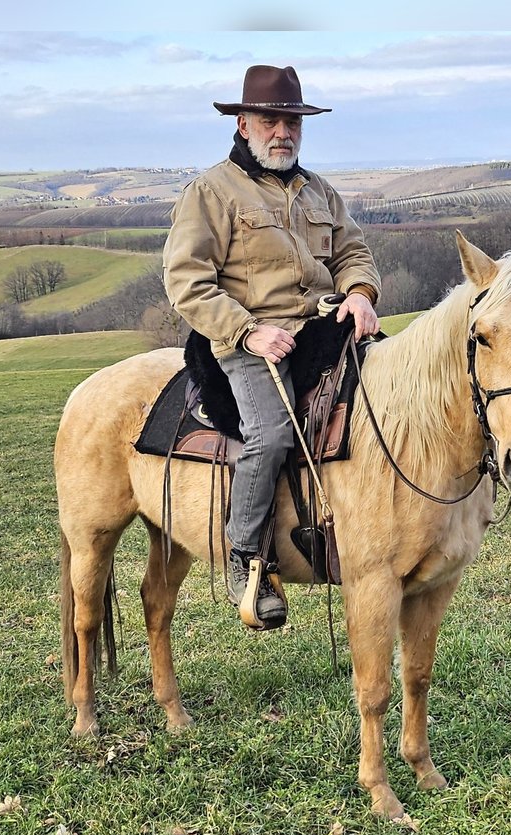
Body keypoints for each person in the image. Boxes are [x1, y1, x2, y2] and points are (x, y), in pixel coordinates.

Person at [163, 64, 382, 630]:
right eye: (269, 120)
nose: (282, 131)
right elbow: (187, 280)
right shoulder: (210, 191)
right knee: (273, 432)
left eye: (292, 121)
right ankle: (246, 556)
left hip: (322, 324)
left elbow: (352, 252)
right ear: (243, 124)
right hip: (247, 337)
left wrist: (358, 292)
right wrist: (246, 331)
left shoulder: (319, 191)